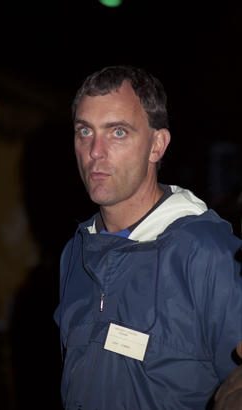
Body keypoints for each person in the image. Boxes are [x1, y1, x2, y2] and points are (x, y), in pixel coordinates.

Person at [54, 65, 242, 409]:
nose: (95, 151)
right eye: (85, 131)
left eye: (118, 133)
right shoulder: (76, 253)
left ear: (157, 145)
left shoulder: (208, 254)